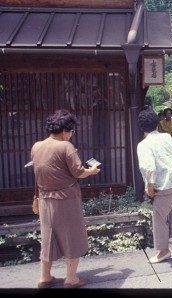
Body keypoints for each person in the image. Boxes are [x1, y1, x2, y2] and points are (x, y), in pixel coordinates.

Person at [31, 109, 101, 289]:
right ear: (65, 131)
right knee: (72, 236)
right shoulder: (66, 146)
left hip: (45, 199)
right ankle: (71, 279)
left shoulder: (37, 146)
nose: (71, 134)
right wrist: (91, 171)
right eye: (71, 131)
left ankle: (44, 277)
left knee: (48, 237)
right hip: (66, 199)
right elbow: (78, 172)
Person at [136, 109, 172, 263]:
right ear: (157, 122)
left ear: (141, 127)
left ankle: (163, 251)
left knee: (159, 219)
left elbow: (148, 168)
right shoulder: (166, 137)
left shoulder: (143, 145)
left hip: (164, 186)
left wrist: (150, 189)